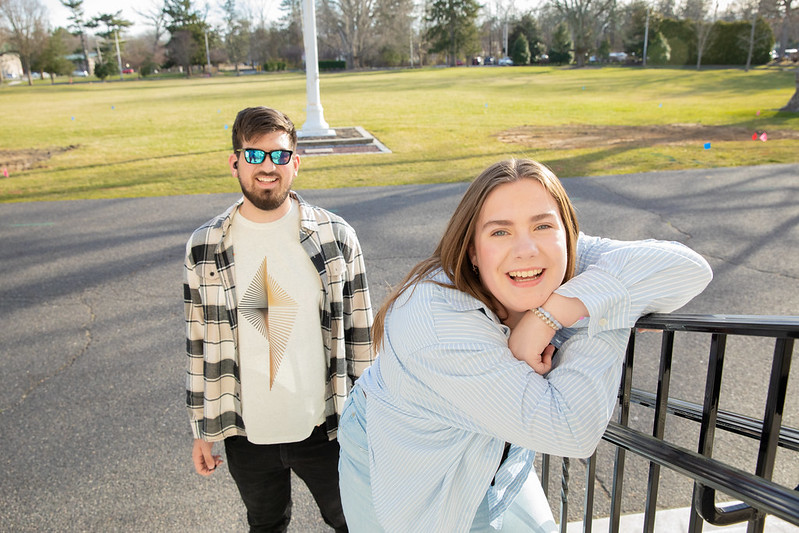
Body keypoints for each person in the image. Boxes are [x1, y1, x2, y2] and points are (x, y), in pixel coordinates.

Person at [337, 158, 713, 532]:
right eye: (500, 232)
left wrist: (556, 312)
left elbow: (691, 269)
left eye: (543, 225)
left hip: (496, 443)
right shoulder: (433, 326)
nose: (526, 250)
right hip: (411, 459)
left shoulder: (563, 255)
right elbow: (571, 429)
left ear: (568, 235)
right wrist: (607, 309)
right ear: (472, 250)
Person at [183, 106, 374, 532]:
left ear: (296, 163)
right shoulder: (205, 247)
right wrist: (203, 429)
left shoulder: (336, 237)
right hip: (245, 433)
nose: (267, 167)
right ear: (234, 163)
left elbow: (362, 336)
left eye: (279, 155)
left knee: (356, 522)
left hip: (327, 428)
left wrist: (373, 423)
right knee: (266, 524)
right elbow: (199, 343)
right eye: (254, 156)